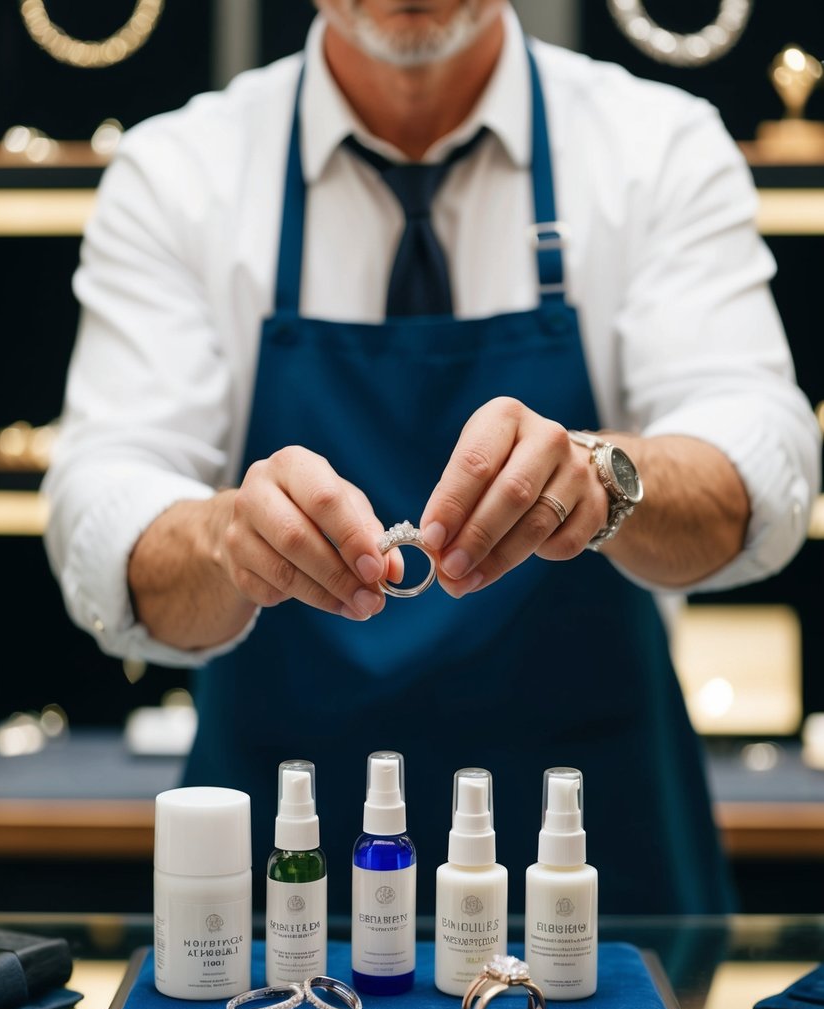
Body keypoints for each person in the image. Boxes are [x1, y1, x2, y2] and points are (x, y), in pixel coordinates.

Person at [44, 0, 820, 915]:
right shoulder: (178, 172)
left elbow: (757, 462)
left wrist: (599, 480)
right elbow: (101, 508)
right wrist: (226, 539)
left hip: (596, 864)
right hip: (281, 868)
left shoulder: (659, 148)